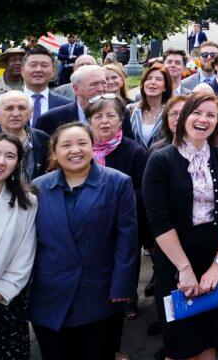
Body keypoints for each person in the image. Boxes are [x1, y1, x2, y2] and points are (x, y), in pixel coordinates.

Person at [142, 93, 218, 360]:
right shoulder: (160, 159)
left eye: (211, 115)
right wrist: (184, 269)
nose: (203, 119)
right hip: (175, 262)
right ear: (183, 118)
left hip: (217, 261)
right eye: (197, 113)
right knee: (181, 345)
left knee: (210, 341)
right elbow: (158, 220)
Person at [29, 123, 138, 360]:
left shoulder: (118, 182)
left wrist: (122, 285)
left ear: (92, 146)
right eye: (66, 145)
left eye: (82, 143)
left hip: (98, 291)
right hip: (50, 292)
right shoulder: (38, 187)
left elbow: (126, 238)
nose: (75, 150)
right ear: (54, 151)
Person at [87, 93, 151, 320]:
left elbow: (144, 190)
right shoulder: (82, 148)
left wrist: (114, 200)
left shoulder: (135, 151)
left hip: (125, 217)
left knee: (125, 256)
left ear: (121, 120)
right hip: (88, 218)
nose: (104, 122)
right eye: (98, 117)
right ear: (89, 121)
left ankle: (128, 298)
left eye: (111, 116)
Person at [0, 132, 37, 359]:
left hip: (2, 310)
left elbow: (21, 263)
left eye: (10, 156)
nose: (0, 162)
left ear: (17, 164)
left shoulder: (26, 203)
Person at [0, 91, 50, 180]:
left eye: (22, 108)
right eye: (9, 108)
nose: (16, 114)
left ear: (30, 113)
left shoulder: (43, 139)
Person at [129, 62, 173, 150]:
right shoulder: (130, 110)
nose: (153, 82)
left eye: (158, 79)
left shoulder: (171, 112)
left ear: (165, 86)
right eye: (149, 78)